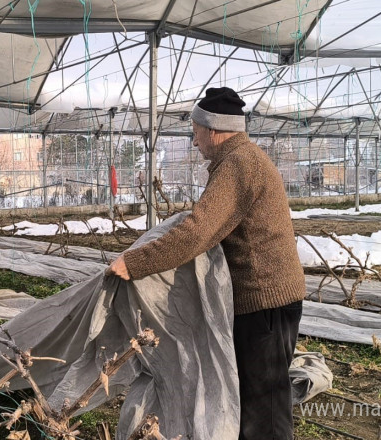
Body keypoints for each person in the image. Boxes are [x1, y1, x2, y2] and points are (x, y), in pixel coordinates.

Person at [107, 87, 306, 439]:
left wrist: (133, 263)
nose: (194, 140)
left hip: (267, 302)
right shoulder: (241, 159)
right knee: (252, 394)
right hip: (267, 300)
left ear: (213, 130)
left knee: (266, 405)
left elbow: (197, 233)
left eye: (196, 131)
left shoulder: (239, 165)